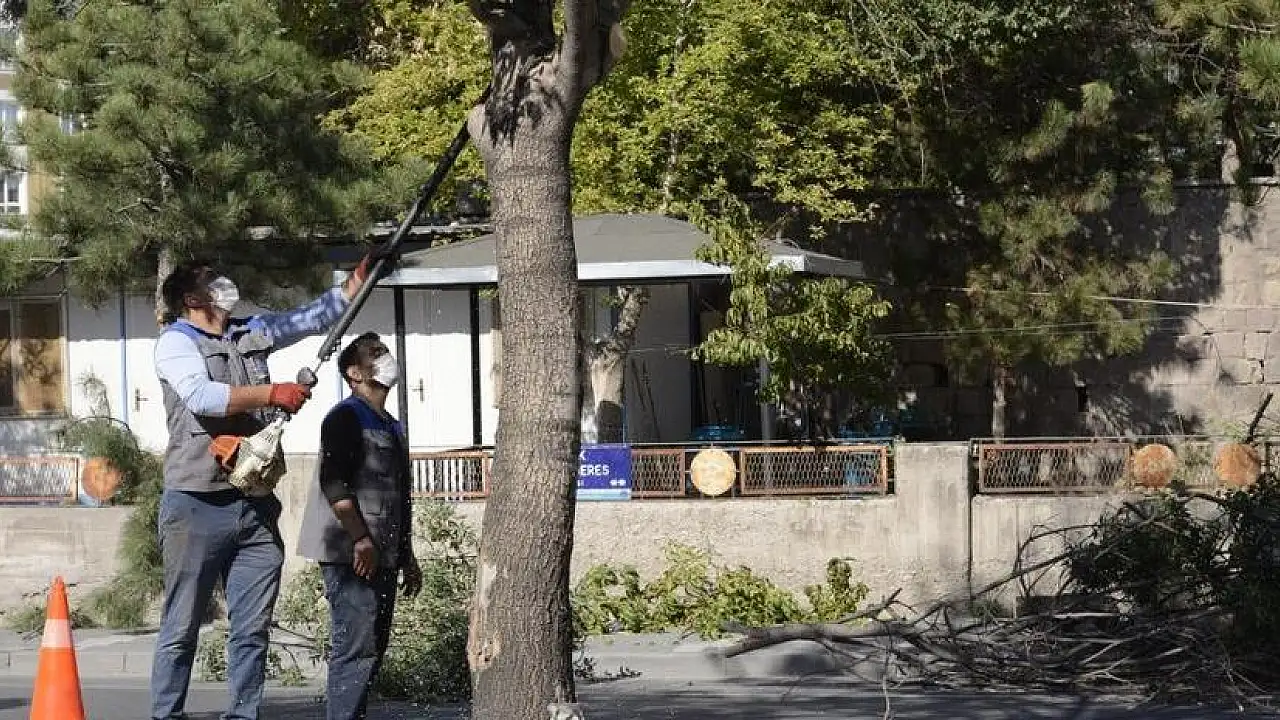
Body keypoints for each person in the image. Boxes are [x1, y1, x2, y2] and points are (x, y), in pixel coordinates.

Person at [151, 257, 373, 720]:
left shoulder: (249, 331)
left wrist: (357, 280)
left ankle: (243, 715)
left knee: (251, 630)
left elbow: (310, 318)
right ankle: (166, 714)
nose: (226, 283)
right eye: (213, 281)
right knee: (182, 627)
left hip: (253, 505)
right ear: (192, 298)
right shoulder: (176, 342)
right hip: (195, 504)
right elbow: (201, 397)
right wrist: (272, 393)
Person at [297, 331, 422, 720]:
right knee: (355, 648)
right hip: (351, 554)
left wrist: (406, 555)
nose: (385, 359)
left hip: (382, 554)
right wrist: (361, 539)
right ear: (354, 372)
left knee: (373, 647)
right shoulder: (345, 417)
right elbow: (335, 485)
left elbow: (397, 496)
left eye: (385, 352)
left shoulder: (391, 425)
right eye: (375, 354)